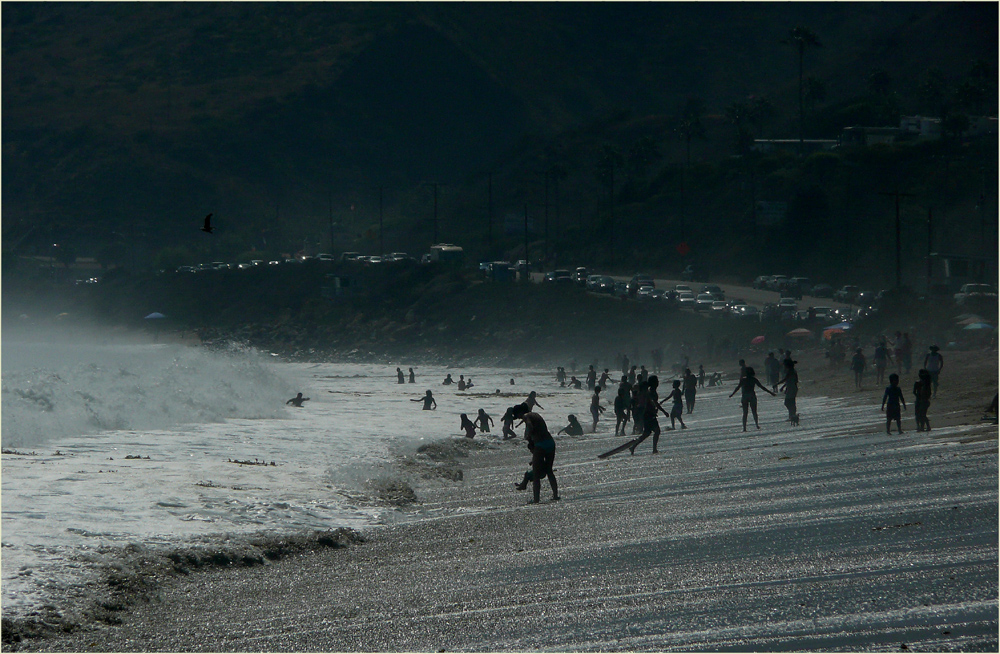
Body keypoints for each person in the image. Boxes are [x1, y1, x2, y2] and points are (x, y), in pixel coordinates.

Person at [511, 403, 559, 504]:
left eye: (518, 416)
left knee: (536, 474)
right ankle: (555, 495)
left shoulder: (526, 416)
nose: (519, 418)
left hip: (540, 445)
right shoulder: (536, 415)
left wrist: (528, 434)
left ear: (520, 412)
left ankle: (536, 499)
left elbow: (529, 425)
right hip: (550, 442)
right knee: (549, 471)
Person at [629, 376, 670, 455]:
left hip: (647, 415)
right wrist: (664, 411)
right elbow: (654, 403)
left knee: (647, 433)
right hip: (649, 415)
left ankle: (633, 447)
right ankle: (654, 449)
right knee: (656, 431)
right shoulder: (650, 392)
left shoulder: (648, 392)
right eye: (656, 381)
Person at [729, 367, 775, 431]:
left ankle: (744, 428)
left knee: (745, 413)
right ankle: (756, 425)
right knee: (754, 411)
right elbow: (762, 387)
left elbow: (738, 387)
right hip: (752, 395)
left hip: (745, 396)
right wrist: (770, 392)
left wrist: (732, 394)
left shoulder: (743, 380)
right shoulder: (754, 379)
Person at [778, 358, 799, 424]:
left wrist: (777, 384)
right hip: (792, 388)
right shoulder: (792, 371)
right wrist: (783, 387)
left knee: (788, 402)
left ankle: (792, 415)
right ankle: (792, 415)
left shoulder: (791, 371)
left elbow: (785, 379)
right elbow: (789, 380)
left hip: (791, 388)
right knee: (791, 402)